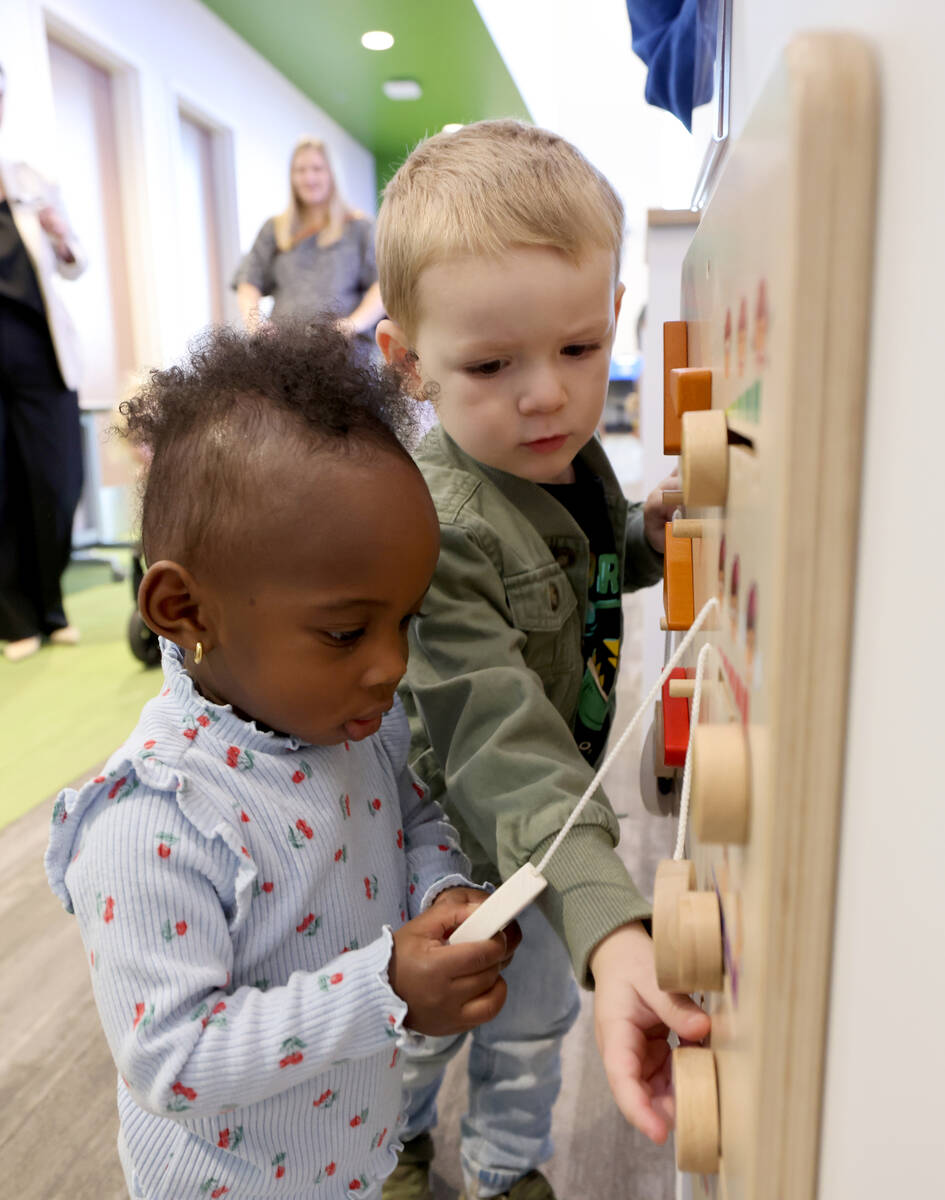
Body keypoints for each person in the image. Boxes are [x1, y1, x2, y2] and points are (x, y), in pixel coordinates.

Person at [44, 320, 520, 1200]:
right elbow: (173, 1061)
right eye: (346, 631)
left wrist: (440, 889)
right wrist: (380, 988)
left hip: (349, 1157)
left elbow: (412, 818)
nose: (392, 665)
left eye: (404, 622)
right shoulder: (153, 817)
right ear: (184, 608)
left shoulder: (350, 722)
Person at [373, 120, 711, 1200]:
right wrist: (611, 921)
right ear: (407, 363)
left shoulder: (566, 458)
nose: (547, 396)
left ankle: (509, 1166)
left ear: (614, 315)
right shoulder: (438, 525)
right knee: (427, 1031)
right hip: (454, 851)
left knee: (536, 1025)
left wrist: (644, 546)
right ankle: (395, 1148)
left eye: (576, 349)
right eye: (490, 364)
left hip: (554, 839)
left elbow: (581, 582)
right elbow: (493, 734)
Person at [0, 60, 86, 662]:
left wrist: (61, 236)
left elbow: (75, 262)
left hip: (40, 355)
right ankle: (14, 616)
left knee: (56, 481)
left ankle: (51, 602)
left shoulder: (27, 177)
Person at [233, 136, 385, 361]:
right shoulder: (274, 228)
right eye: (300, 170)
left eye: (317, 168)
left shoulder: (360, 228)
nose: (309, 177)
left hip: (346, 357)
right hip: (285, 357)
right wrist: (256, 325)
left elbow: (382, 287)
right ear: (292, 177)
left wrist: (352, 325)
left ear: (331, 174)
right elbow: (247, 282)